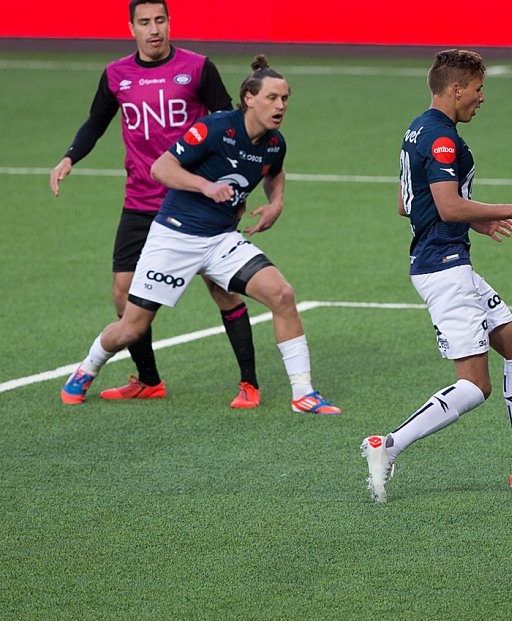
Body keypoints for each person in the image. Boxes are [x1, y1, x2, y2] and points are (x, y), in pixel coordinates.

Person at [61, 55, 341, 416]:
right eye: (272, 98)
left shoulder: (275, 143)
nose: (280, 106)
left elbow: (275, 172)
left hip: (221, 240)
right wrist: (205, 186)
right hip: (174, 237)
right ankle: (87, 368)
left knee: (282, 295)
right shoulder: (214, 128)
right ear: (249, 98)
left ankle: (303, 394)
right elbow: (161, 168)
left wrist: (276, 203)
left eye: (285, 98)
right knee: (131, 328)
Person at [360, 49, 512, 502]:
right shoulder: (441, 138)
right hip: (444, 270)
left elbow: (408, 204)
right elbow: (447, 204)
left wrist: (476, 222)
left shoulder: (418, 127)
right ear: (456, 89)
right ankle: (389, 445)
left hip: (450, 264)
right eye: (478, 88)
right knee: (474, 385)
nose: (482, 97)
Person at [50, 0, 261, 408]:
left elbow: (230, 126)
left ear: (169, 23)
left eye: (160, 20)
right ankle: (148, 380)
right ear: (131, 28)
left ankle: (249, 383)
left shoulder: (198, 68)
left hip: (194, 203)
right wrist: (69, 158)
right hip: (141, 201)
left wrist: (234, 189)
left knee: (222, 290)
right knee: (123, 293)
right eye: (144, 22)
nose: (153, 29)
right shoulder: (116, 74)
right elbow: (96, 122)